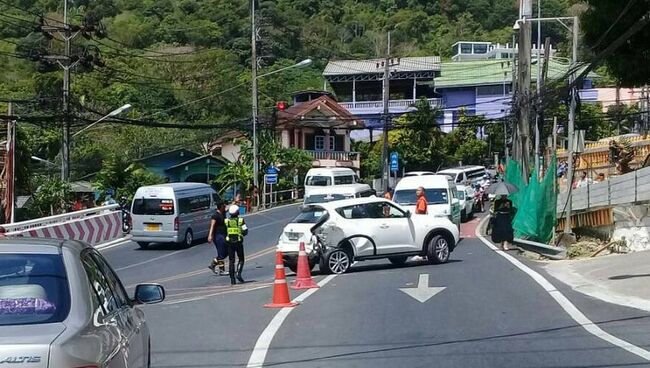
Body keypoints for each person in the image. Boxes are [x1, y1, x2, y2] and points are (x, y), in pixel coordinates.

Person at [224, 205, 248, 285]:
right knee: (241, 259)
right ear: (237, 212)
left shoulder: (226, 221)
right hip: (238, 242)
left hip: (229, 242)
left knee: (231, 260)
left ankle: (232, 279)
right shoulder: (241, 220)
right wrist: (241, 234)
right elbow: (245, 231)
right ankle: (238, 273)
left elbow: (224, 231)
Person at [207, 201, 228, 275]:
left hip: (224, 235)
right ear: (221, 206)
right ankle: (222, 270)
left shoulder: (223, 213)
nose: (225, 207)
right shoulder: (215, 215)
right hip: (218, 236)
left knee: (226, 252)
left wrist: (235, 201)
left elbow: (229, 208)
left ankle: (213, 264)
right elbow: (212, 226)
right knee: (221, 253)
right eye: (223, 206)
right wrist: (210, 235)